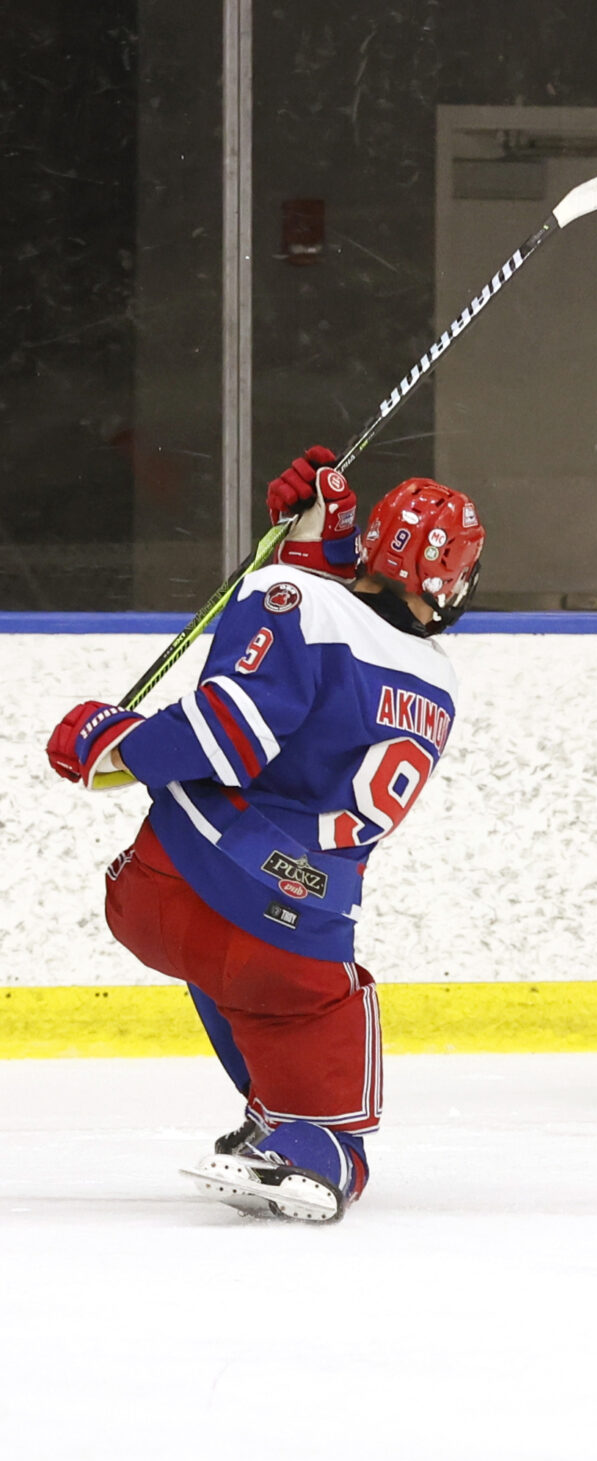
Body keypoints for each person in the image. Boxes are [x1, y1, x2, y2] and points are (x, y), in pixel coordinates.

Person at [45, 446, 484, 1221]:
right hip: (294, 935)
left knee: (224, 963)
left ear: (371, 546)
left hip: (166, 893)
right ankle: (306, 1135)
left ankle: (276, 1108)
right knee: (331, 1111)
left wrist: (117, 744)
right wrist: (318, 550)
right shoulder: (439, 682)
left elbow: (235, 726)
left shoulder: (295, 597)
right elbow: (345, 667)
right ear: (450, 581)